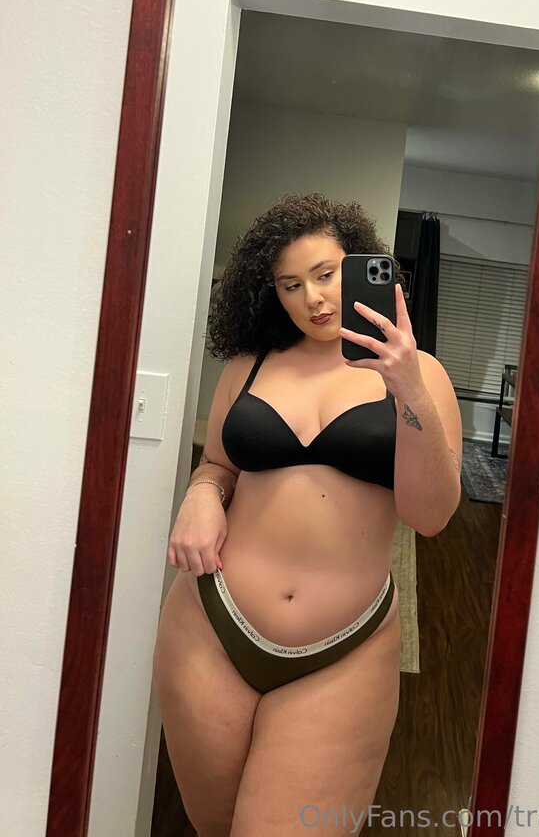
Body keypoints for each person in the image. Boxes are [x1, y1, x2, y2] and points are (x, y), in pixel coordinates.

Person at [152, 191, 463, 837]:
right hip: (210, 626)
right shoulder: (250, 365)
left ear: (361, 265)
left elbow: (431, 514)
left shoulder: (422, 374)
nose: (313, 299)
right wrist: (201, 494)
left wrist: (405, 386)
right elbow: (218, 465)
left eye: (325, 275)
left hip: (343, 650)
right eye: (290, 285)